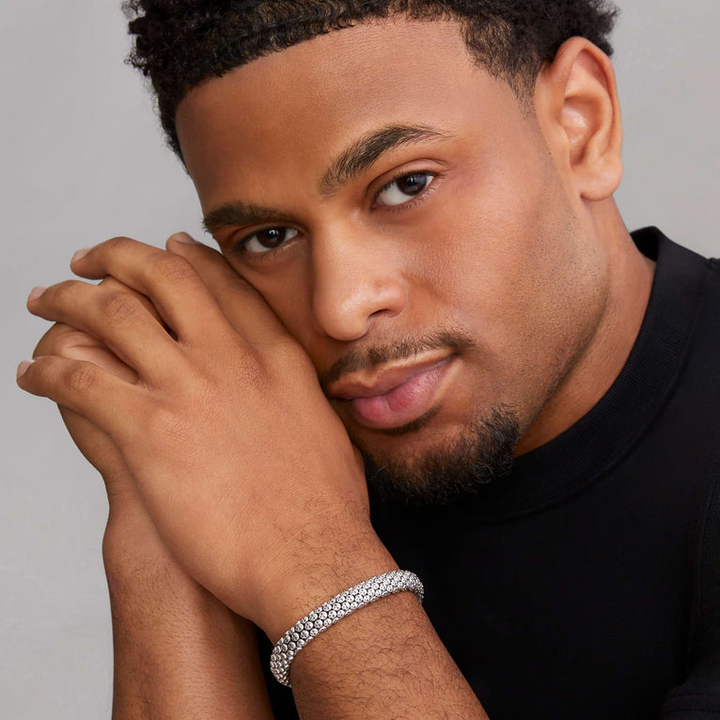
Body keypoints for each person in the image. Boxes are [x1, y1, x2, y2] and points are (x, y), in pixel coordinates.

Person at [16, 0, 720, 717]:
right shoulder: (249, 455)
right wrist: (155, 505)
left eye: (405, 185)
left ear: (580, 122)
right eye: (267, 236)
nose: (340, 306)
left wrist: (314, 561)